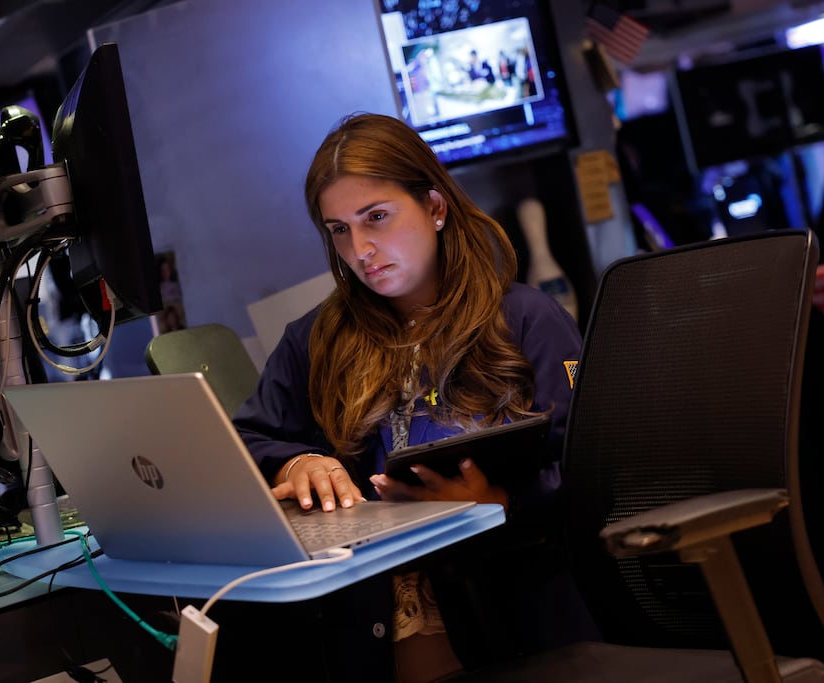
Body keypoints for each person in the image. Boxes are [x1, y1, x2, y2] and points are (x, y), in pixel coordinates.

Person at [233, 112, 592, 681]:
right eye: (339, 230)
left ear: (435, 207)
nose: (361, 249)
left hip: (519, 622)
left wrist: (500, 501)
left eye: (376, 217)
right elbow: (240, 442)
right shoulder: (314, 340)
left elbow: (593, 469)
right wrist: (299, 460)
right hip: (377, 638)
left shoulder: (525, 319)